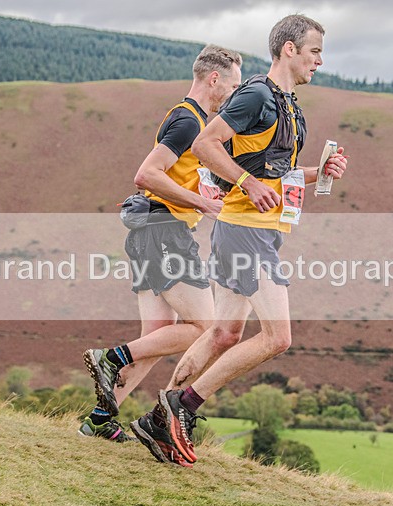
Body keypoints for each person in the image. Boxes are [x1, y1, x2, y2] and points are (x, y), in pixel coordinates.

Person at [132, 14, 348, 466]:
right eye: (314, 52)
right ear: (289, 49)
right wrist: (247, 183)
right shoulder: (256, 95)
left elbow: (275, 173)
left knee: (225, 333)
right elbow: (206, 145)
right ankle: (183, 406)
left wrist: (315, 173)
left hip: (259, 232)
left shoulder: (290, 106)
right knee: (277, 337)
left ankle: (158, 420)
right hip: (245, 231)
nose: (320, 61)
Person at [79, 45, 242, 453]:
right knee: (203, 329)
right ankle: (111, 357)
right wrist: (201, 203)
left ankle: (100, 419)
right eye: (235, 85)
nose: (236, 94)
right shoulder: (188, 121)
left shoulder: (197, 123)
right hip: (165, 232)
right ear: (214, 79)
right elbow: (146, 174)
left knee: (156, 337)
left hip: (152, 232)